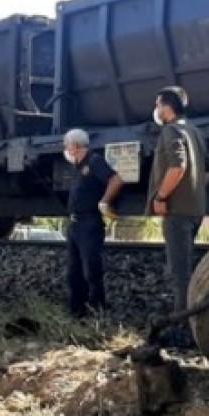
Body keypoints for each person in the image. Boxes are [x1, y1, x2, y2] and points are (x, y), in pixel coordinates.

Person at [146, 86, 209, 343]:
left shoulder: (171, 130)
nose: (155, 110)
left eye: (157, 104)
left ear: (167, 106)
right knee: (186, 269)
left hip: (176, 211)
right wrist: (193, 190)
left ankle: (183, 332)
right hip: (195, 210)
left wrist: (162, 196)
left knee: (180, 273)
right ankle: (187, 325)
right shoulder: (194, 131)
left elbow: (178, 165)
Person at [62, 128, 123, 318]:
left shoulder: (94, 161)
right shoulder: (78, 166)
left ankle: (97, 312)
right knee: (74, 272)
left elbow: (115, 180)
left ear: (74, 146)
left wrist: (104, 201)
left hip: (90, 223)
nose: (66, 150)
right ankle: (77, 313)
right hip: (75, 225)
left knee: (91, 271)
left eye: (67, 146)